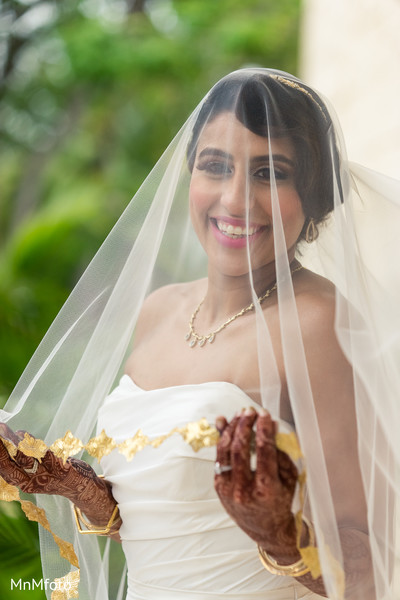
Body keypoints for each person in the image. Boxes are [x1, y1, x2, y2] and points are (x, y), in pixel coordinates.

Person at [1, 68, 399, 600]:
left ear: (313, 196)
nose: (235, 199)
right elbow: (170, 528)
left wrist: (282, 538)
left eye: (271, 172)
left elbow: (375, 555)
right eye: (215, 166)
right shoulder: (158, 312)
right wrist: (72, 485)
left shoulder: (319, 323)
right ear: (189, 175)